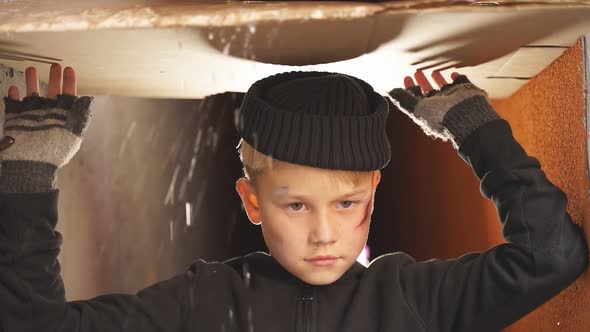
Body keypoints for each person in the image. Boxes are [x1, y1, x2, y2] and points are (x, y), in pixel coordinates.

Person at [0, 64, 587, 332]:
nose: (325, 234)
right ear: (252, 202)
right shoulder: (204, 304)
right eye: (296, 205)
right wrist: (28, 175)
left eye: (346, 203)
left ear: (373, 197)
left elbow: (551, 256)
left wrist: (471, 127)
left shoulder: (414, 302)